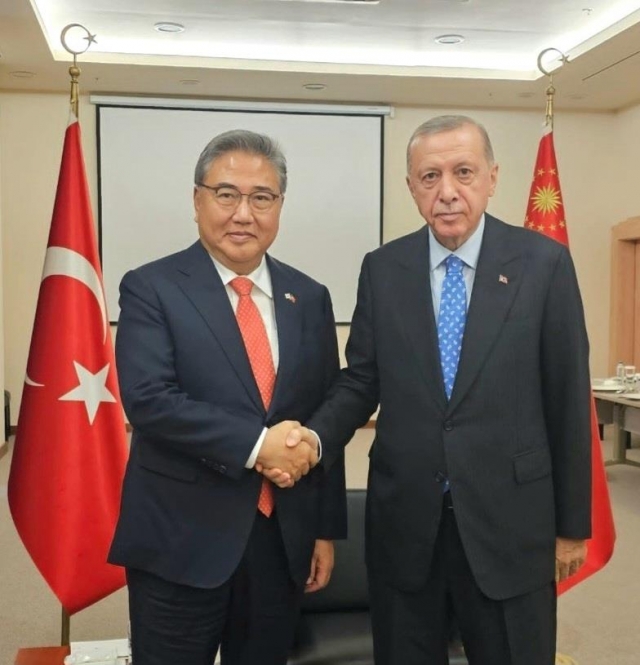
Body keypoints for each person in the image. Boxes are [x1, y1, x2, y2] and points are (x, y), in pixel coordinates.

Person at [268, 115, 592, 664]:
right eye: (429, 177)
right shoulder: (383, 268)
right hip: (406, 524)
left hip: (510, 523)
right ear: (411, 187)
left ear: (492, 177)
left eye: (463, 172)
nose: (447, 192)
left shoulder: (544, 264)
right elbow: (362, 378)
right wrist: (314, 440)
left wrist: (571, 526)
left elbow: (566, 397)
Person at [108, 129, 346, 665]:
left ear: (279, 206)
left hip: (279, 539)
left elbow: (320, 414)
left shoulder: (308, 296)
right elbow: (149, 400)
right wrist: (259, 444)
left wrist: (323, 531)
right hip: (180, 539)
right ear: (197, 200)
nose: (244, 213)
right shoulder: (151, 287)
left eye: (261, 197)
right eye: (226, 194)